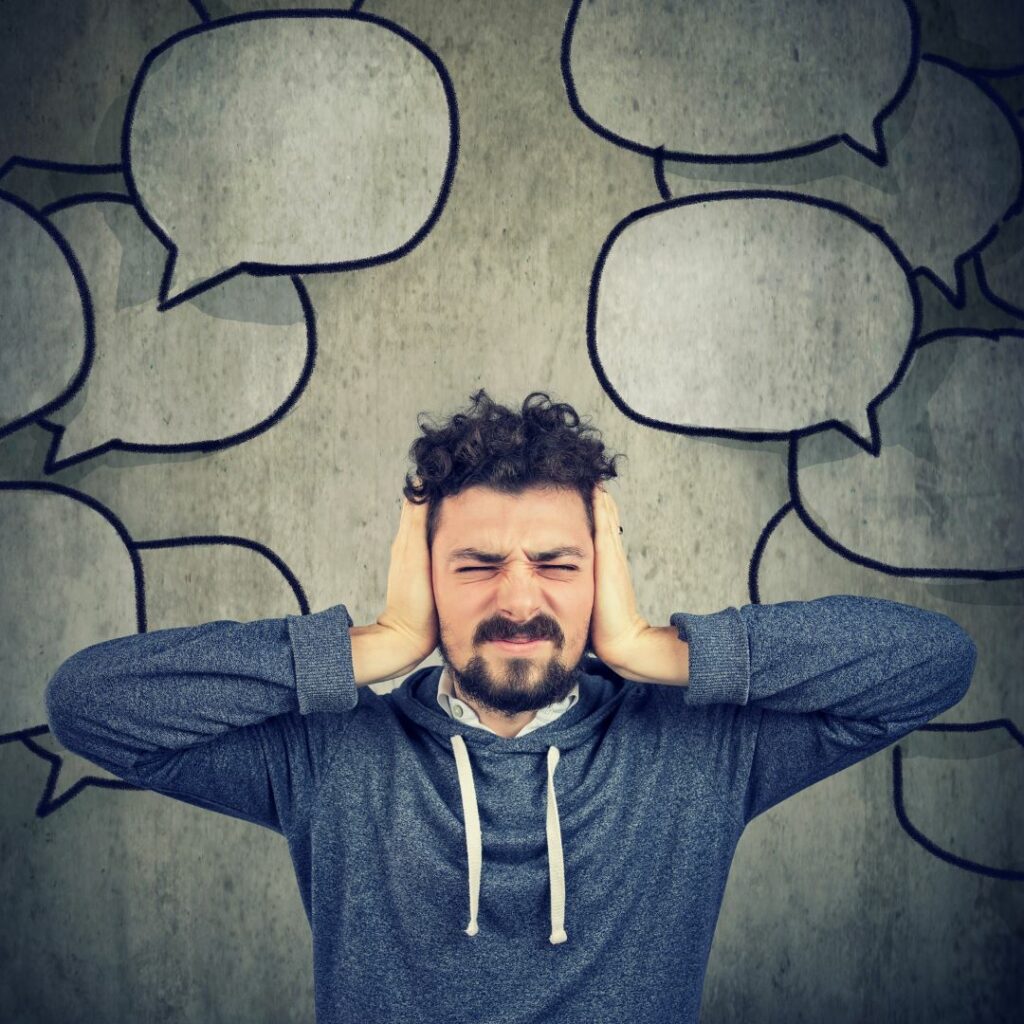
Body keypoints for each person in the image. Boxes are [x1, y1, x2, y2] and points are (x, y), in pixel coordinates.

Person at [45, 390, 977, 1024]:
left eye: (559, 564)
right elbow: (92, 704)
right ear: (429, 579)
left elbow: (932, 662)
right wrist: (377, 641)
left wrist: (652, 647)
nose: (520, 600)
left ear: (601, 575)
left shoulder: (698, 751)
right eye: (478, 565)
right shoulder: (330, 759)